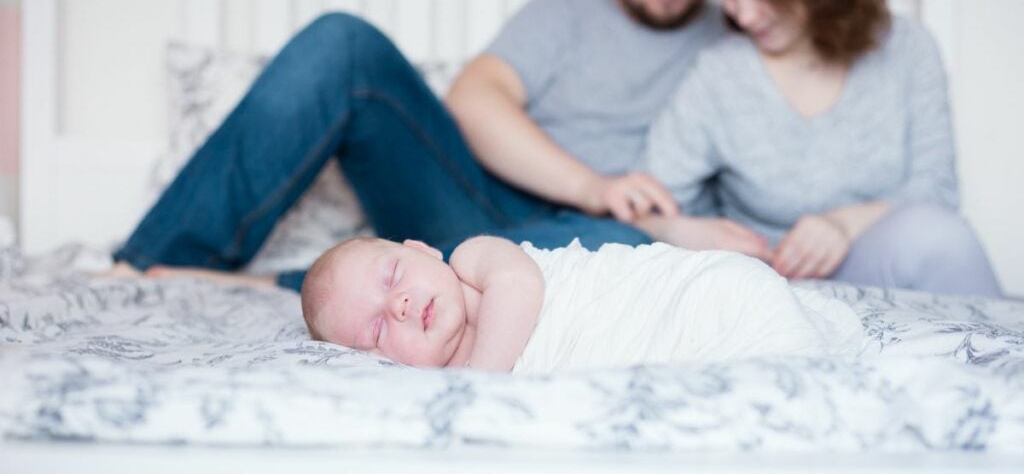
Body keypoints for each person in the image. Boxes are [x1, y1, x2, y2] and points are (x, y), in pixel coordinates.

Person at [111, 0, 740, 291]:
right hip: (481, 212)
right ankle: (145, 271)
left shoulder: (745, 36)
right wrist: (596, 188)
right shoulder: (564, 13)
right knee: (343, 45)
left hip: (613, 246)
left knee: (634, 252)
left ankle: (279, 284)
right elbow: (474, 103)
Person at [638, 0, 1002, 296]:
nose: (744, 15)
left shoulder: (908, 48)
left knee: (939, 236)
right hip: (769, 285)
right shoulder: (719, 73)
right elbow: (644, 204)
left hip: (875, 266)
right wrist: (678, 229)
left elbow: (937, 191)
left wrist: (843, 225)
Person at [301, 235, 864, 373]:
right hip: (667, 359)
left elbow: (521, 288)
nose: (397, 305)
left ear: (422, 249)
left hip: (690, 297)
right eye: (375, 330)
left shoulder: (474, 258)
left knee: (762, 335)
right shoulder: (426, 382)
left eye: (393, 276)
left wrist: (480, 383)